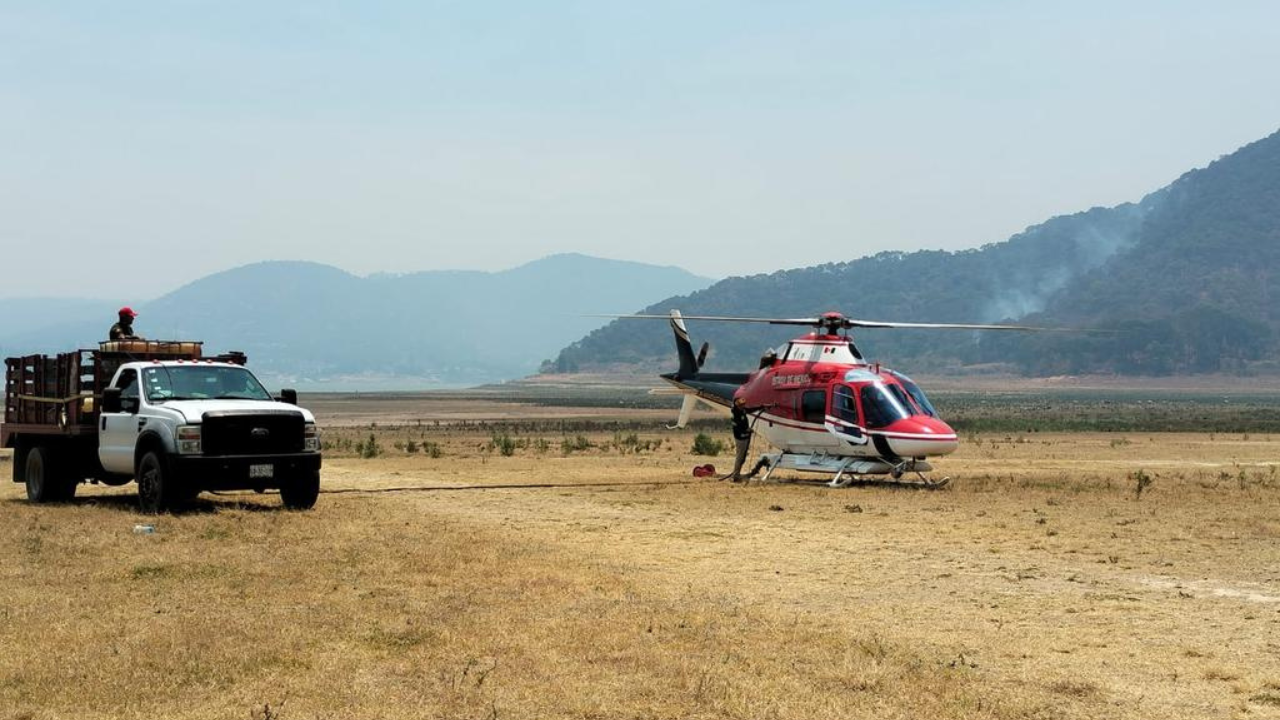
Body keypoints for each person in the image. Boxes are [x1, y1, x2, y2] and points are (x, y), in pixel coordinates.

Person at [726, 396, 767, 482]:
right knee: (740, 457)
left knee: (742, 457)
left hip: (745, 436)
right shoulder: (736, 414)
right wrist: (746, 430)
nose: (743, 406)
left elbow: (750, 410)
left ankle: (736, 474)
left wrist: (761, 407)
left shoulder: (742, 410)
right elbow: (738, 427)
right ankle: (736, 475)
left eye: (743, 405)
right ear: (737, 405)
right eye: (741, 405)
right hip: (740, 438)